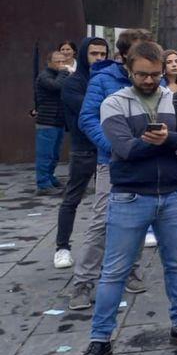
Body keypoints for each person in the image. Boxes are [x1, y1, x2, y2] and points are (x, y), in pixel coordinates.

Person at [74, 41, 177, 355]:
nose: (149, 80)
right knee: (114, 272)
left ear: (163, 68)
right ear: (128, 69)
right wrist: (169, 142)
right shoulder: (113, 102)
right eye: (141, 74)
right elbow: (123, 151)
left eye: (154, 74)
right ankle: (100, 339)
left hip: (175, 195)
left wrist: (168, 140)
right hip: (129, 196)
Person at [70, 28, 154, 311]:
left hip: (145, 159)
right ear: (123, 56)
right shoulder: (105, 79)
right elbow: (88, 118)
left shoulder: (152, 78)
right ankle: (83, 282)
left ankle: (131, 269)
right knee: (102, 221)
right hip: (112, 161)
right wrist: (114, 146)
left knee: (141, 217)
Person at [56, 36, 109, 269]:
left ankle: (106, 248)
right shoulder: (72, 82)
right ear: (84, 54)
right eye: (94, 53)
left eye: (103, 54)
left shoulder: (108, 79)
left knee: (107, 201)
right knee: (72, 199)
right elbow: (92, 109)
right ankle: (62, 247)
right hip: (83, 148)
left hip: (106, 147)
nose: (99, 58)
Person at [34, 50, 71, 194]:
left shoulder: (58, 75)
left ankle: (50, 178)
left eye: (63, 61)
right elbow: (56, 86)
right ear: (49, 63)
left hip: (58, 121)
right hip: (46, 122)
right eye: (58, 61)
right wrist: (64, 72)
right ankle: (43, 184)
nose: (62, 64)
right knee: (45, 155)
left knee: (54, 154)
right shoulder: (44, 76)